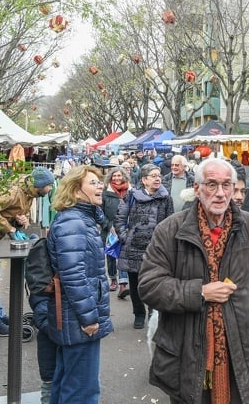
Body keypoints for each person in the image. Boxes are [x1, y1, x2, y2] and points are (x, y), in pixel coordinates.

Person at [138, 158, 249, 404]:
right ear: (196, 189)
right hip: (186, 350)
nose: (220, 193)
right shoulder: (169, 230)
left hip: (240, 349)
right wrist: (200, 292)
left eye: (227, 185)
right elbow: (149, 285)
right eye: (212, 185)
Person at [45, 165, 114, 403]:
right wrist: (89, 319)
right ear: (75, 191)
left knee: (70, 382)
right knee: (82, 390)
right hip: (78, 320)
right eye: (93, 183)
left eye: (99, 182)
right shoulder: (74, 222)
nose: (100, 187)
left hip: (74, 318)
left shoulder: (80, 219)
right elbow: (73, 275)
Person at [0, 166, 55, 336]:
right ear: (41, 184)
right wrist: (10, 229)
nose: (51, 188)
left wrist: (19, 220)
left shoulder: (29, 193)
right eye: (50, 185)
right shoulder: (15, 191)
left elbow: (8, 212)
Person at [115, 163, 173, 329]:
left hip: (156, 249)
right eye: (153, 176)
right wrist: (125, 237)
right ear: (144, 180)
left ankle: (153, 314)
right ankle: (138, 313)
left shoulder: (165, 197)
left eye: (159, 175)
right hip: (133, 247)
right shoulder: (132, 196)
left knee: (154, 282)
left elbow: (171, 221)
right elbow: (119, 218)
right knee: (135, 284)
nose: (157, 179)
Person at [102, 166, 131, 297]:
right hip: (110, 229)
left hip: (126, 228)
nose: (117, 178)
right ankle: (113, 278)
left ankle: (123, 284)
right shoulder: (105, 192)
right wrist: (109, 226)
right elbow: (100, 213)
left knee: (123, 254)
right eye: (114, 176)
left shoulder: (131, 191)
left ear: (124, 176)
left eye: (119, 176)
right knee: (111, 255)